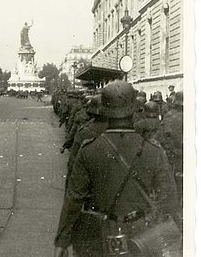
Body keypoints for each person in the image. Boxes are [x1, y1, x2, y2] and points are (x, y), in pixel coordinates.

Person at [54, 80, 180, 257]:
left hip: (97, 233)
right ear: (134, 108)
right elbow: (169, 199)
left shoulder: (89, 149)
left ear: (104, 110)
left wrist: (62, 240)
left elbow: (74, 198)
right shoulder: (153, 150)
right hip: (141, 235)